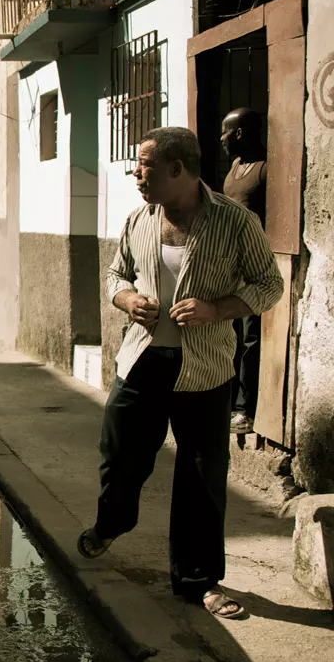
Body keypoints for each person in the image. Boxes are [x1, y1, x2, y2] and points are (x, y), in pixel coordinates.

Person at [77, 127, 283, 620]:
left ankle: (200, 581)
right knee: (120, 452)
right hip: (142, 361)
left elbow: (269, 285)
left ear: (178, 169)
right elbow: (115, 275)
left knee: (201, 476)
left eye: (145, 166)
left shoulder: (235, 222)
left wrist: (217, 309)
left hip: (205, 370)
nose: (136, 174)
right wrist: (128, 299)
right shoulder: (139, 220)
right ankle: (113, 523)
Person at [220, 108, 268, 434]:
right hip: (229, 267)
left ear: (239, 133)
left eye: (224, 132)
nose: (220, 140)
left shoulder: (264, 171)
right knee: (229, 336)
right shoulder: (235, 168)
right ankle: (225, 400)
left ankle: (244, 409)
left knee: (251, 338)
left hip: (253, 269)